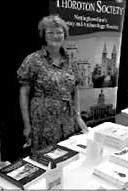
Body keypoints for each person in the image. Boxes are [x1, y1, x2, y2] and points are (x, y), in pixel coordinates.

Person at [17, 15, 88, 152]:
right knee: (46, 159)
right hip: (43, 121)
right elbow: (24, 93)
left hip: (67, 120)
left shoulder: (71, 61)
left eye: (59, 32)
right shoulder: (33, 60)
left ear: (64, 35)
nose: (56, 36)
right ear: (44, 35)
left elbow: (75, 91)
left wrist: (78, 117)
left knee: (66, 156)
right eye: (50, 32)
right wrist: (27, 124)